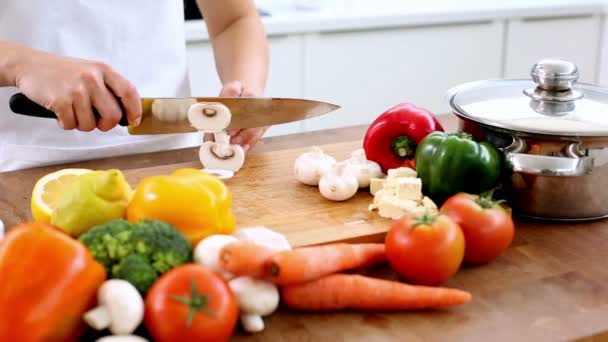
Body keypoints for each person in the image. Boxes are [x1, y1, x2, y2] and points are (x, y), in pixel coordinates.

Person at [0, 0, 269, 173]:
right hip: (23, 168)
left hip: (175, 163)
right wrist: (21, 63)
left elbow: (234, 20)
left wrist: (245, 92)